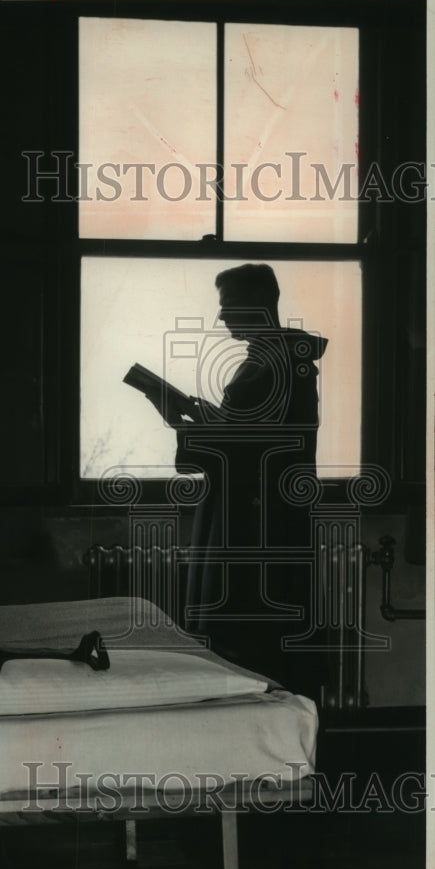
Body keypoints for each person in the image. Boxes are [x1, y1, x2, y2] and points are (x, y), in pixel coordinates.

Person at [157, 264, 328, 698]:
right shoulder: (283, 361)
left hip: (252, 527)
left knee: (245, 639)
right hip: (270, 519)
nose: (223, 319)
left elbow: (247, 449)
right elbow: (256, 440)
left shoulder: (269, 367)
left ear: (256, 307)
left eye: (229, 308)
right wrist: (212, 422)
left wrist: (185, 423)